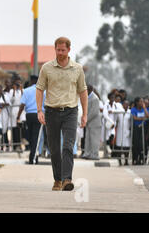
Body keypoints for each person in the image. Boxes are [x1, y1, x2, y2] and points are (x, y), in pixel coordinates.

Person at [36, 37, 88, 191]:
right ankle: (57, 179)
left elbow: (83, 91)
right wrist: (40, 110)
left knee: (68, 145)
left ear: (69, 50)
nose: (60, 53)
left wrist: (85, 114)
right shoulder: (46, 68)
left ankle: (67, 179)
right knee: (54, 148)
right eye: (57, 50)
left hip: (71, 111)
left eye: (63, 50)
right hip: (51, 111)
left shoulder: (77, 69)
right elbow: (39, 89)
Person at [17, 75, 44, 164]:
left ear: (31, 81)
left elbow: (22, 105)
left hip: (29, 115)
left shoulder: (26, 91)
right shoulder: (43, 91)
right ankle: (33, 157)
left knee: (31, 135)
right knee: (36, 136)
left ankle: (32, 155)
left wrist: (18, 116)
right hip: (39, 115)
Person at [81, 84, 102, 160]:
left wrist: (85, 119)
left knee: (94, 140)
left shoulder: (95, 99)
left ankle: (94, 155)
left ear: (90, 90)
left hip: (94, 123)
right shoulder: (87, 97)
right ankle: (87, 153)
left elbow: (94, 112)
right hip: (89, 122)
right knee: (88, 139)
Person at [102, 92, 124, 157]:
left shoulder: (116, 105)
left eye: (113, 98)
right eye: (111, 97)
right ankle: (106, 153)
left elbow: (122, 111)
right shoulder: (106, 104)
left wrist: (113, 111)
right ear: (109, 98)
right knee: (106, 137)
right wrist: (111, 122)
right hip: (107, 124)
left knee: (112, 136)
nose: (112, 99)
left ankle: (109, 149)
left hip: (113, 124)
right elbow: (105, 114)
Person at [131, 97, 149, 165]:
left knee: (142, 144)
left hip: (143, 128)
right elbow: (135, 118)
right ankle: (135, 158)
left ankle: (141, 158)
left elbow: (147, 116)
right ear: (137, 102)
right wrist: (142, 118)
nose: (142, 103)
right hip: (136, 128)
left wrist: (144, 108)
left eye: (142, 102)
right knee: (136, 144)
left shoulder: (144, 109)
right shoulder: (133, 109)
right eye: (141, 101)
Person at [112, 99, 131, 165]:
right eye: (125, 104)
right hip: (120, 131)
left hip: (127, 131)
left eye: (127, 104)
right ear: (122, 105)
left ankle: (126, 161)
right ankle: (119, 161)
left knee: (127, 147)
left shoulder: (129, 112)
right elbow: (115, 119)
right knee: (119, 146)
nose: (126, 105)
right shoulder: (119, 111)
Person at [8, 79, 23, 151]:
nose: (18, 85)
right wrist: (14, 91)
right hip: (14, 111)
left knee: (20, 128)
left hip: (20, 111)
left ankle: (20, 145)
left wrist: (21, 89)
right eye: (17, 84)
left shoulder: (21, 91)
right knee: (14, 129)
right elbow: (11, 100)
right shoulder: (11, 91)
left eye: (19, 84)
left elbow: (24, 98)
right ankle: (15, 145)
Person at [0, 85, 10, 151]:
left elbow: (8, 104)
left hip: (5, 116)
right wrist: (1, 105)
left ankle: (6, 146)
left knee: (4, 132)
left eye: (0, 90)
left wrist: (1, 105)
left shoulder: (5, 97)